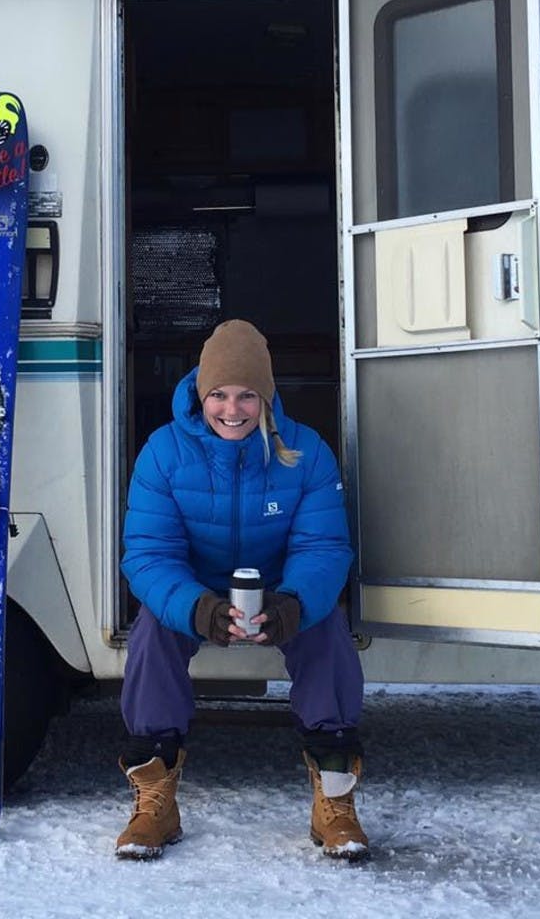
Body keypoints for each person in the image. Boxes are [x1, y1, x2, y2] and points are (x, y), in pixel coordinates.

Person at [116, 319, 367, 862]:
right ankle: (155, 800)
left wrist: (294, 603)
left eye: (247, 395)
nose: (232, 409)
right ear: (200, 395)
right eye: (219, 395)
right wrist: (197, 609)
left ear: (266, 398)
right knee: (152, 632)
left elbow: (324, 548)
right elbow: (149, 554)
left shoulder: (306, 452)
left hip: (279, 589)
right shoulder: (163, 452)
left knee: (326, 628)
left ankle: (335, 799)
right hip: (197, 592)